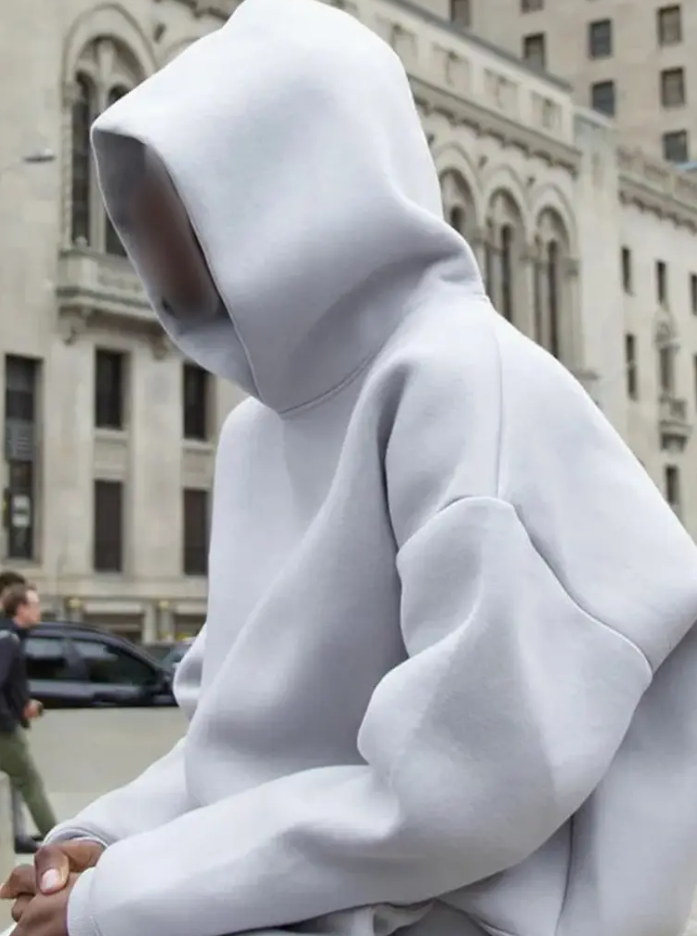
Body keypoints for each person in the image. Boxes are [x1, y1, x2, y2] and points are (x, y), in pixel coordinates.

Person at [5, 0, 697, 935]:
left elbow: (461, 791)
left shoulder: (462, 383)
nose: (138, 228)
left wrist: (127, 895)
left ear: (288, 179)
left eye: (173, 188)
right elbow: (235, 750)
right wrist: (107, 842)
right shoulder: (258, 437)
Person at [0, 583, 56, 851]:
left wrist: (23, 704)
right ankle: (58, 840)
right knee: (29, 781)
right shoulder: (8, 639)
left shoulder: (10, 637)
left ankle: (16, 835)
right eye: (35, 604)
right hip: (3, 729)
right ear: (21, 608)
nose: (39, 610)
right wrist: (9, 719)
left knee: (14, 781)